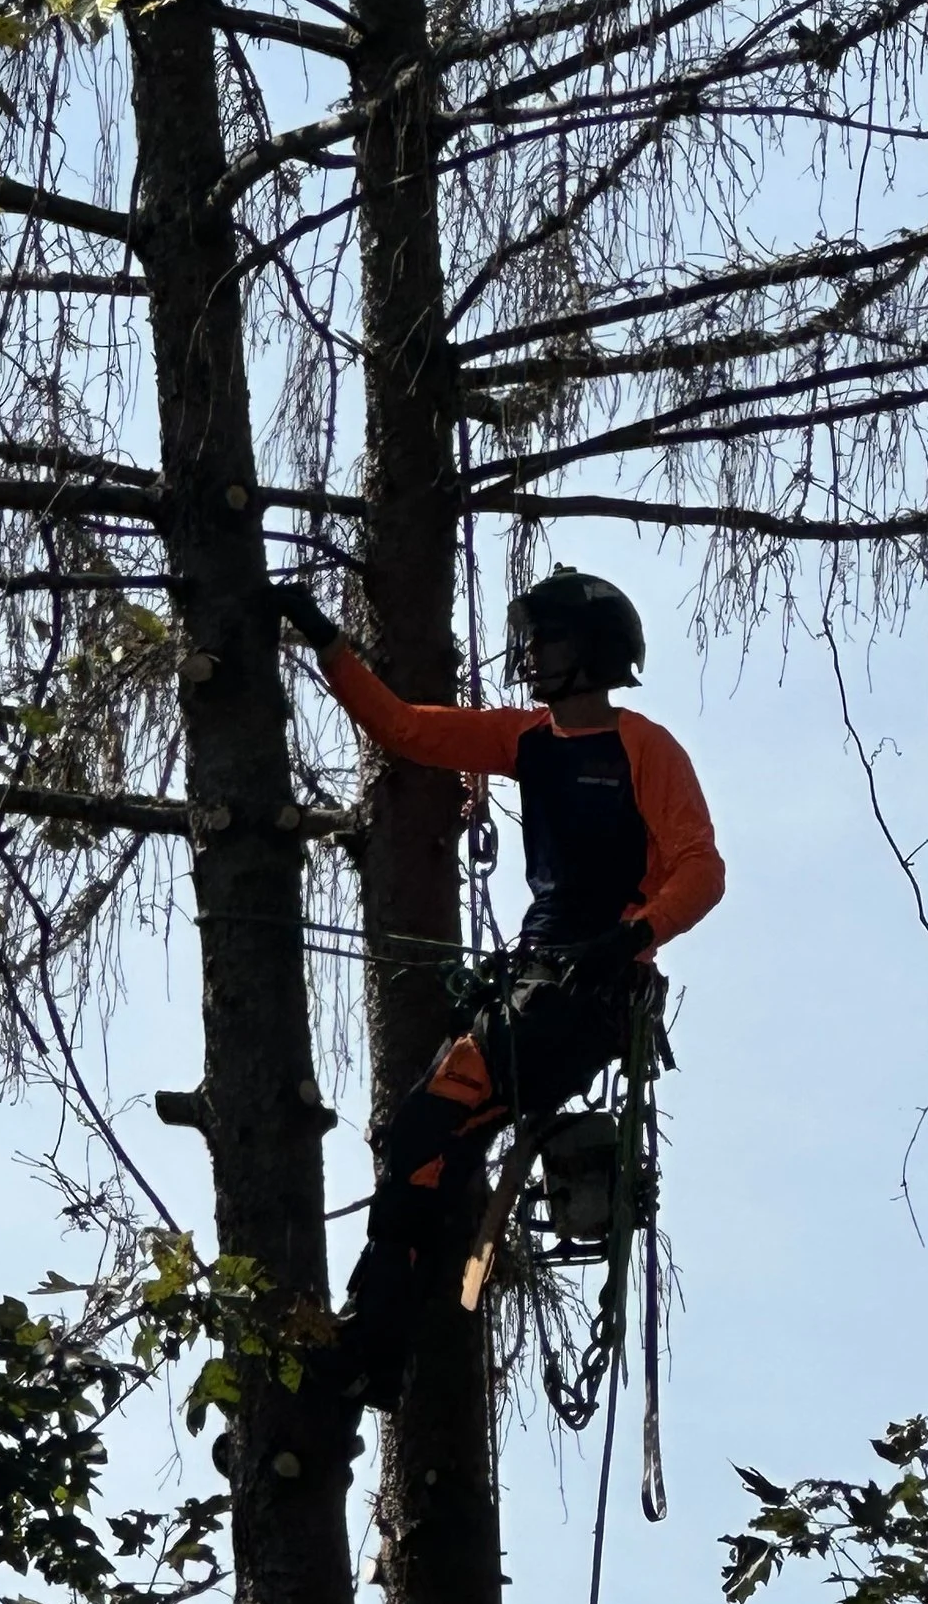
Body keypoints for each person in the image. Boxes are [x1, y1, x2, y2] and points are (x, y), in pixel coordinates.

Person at [268, 565, 725, 1403]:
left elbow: (701, 870)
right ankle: (383, 1342)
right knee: (426, 1145)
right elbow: (407, 728)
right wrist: (325, 641)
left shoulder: (645, 749)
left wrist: (633, 935)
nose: (530, 655)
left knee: (422, 1133)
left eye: (546, 640)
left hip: (587, 994)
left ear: (589, 653)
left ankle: (373, 1344)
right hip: (535, 982)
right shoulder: (527, 740)